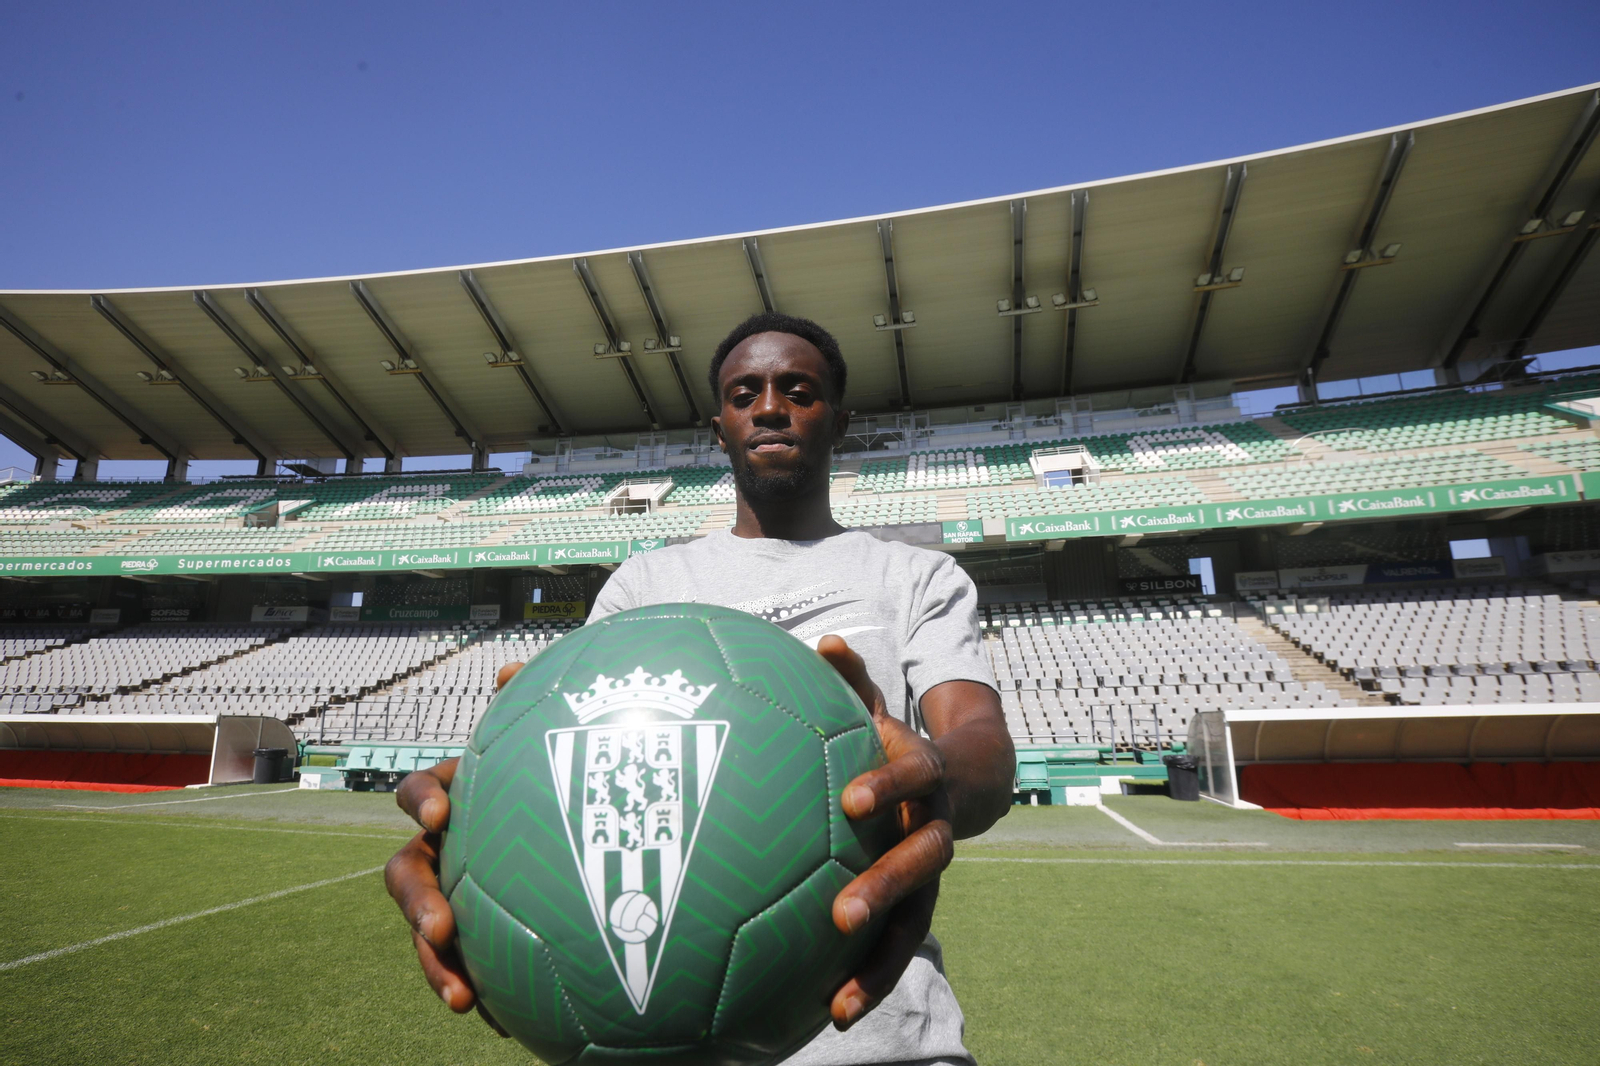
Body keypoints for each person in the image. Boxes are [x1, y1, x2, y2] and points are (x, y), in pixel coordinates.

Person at [386, 312, 1016, 1066]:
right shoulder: (643, 587)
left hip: (883, 1030)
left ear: (839, 422)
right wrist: (472, 826)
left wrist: (933, 778)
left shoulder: (915, 577)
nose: (771, 406)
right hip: (658, 1034)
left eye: (799, 390)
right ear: (720, 429)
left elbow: (980, 744)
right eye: (745, 392)